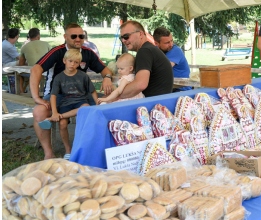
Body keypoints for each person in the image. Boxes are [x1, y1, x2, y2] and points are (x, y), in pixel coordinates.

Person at [29, 23, 114, 159]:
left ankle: (97, 149)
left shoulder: (87, 53)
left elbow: (105, 69)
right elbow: (36, 69)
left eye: (81, 36)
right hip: (57, 95)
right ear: (65, 37)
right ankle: (48, 153)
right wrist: (36, 98)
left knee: (107, 105)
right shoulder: (57, 52)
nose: (78, 39)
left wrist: (107, 78)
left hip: (81, 96)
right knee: (39, 112)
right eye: (74, 36)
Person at [45, 49, 96, 158]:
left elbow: (92, 91)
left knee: (85, 109)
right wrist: (54, 112)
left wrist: (97, 104)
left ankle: (83, 146)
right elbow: (53, 95)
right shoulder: (59, 77)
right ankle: (68, 150)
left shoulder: (83, 76)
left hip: (80, 101)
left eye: (76, 62)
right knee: (62, 124)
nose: (72, 64)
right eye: (70, 61)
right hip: (66, 103)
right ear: (64, 60)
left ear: (79, 64)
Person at [111, 20, 176, 99]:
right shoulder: (149, 49)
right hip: (159, 103)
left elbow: (140, 84)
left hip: (152, 105)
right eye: (121, 38)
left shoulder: (144, 51)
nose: (123, 40)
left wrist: (114, 96)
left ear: (140, 34)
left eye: (126, 36)